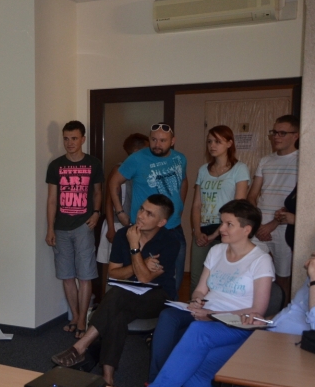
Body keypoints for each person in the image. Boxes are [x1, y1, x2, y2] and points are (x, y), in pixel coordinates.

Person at [146, 201, 275, 387]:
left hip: (237, 323)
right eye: (221, 222)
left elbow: (258, 310)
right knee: (170, 318)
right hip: (207, 313)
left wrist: (211, 315)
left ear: (246, 230)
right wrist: (197, 300)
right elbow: (200, 289)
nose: (221, 228)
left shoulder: (260, 260)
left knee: (198, 333)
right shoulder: (217, 251)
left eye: (228, 224)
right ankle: (159, 382)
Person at [51, 195, 179, 386]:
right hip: (127, 295)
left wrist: (134, 247)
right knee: (117, 314)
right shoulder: (122, 234)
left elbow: (145, 278)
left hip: (158, 296)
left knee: (117, 295)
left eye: (149, 214)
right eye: (141, 209)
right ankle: (107, 377)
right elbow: (114, 272)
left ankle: (80, 347)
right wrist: (142, 263)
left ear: (161, 222)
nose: (141, 215)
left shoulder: (170, 241)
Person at [110, 123, 188, 292]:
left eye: (162, 140)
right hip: (144, 229)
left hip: (173, 227)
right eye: (153, 139)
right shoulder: (136, 158)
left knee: (173, 278)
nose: (157, 144)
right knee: (139, 278)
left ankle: (169, 306)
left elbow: (183, 181)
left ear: (172, 141)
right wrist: (120, 211)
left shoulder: (180, 159)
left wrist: (179, 206)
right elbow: (114, 182)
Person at [45, 120, 104, 338]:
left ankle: (81, 320)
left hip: (83, 226)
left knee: (85, 275)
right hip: (61, 227)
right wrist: (50, 228)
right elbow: (52, 199)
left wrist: (96, 213)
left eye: (74, 138)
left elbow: (98, 192)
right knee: (67, 275)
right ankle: (76, 316)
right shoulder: (56, 165)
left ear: (83, 139)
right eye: (66, 139)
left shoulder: (93, 163)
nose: (70, 143)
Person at [189, 126, 250, 292]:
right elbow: (196, 205)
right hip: (203, 231)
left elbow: (238, 206)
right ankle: (194, 306)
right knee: (196, 278)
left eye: (217, 141)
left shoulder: (240, 169)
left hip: (227, 230)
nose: (212, 145)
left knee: (221, 280)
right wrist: (197, 232)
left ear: (229, 143)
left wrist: (215, 234)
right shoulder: (203, 170)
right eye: (209, 141)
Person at [248, 114, 299, 301]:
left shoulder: (303, 161)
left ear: (295, 135)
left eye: (282, 133)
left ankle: (280, 312)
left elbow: (299, 200)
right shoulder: (265, 160)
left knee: (282, 277)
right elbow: (252, 195)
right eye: (274, 132)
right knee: (251, 269)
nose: (276, 137)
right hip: (259, 226)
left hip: (284, 228)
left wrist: (272, 225)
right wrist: (258, 224)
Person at [97, 133, 149, 292]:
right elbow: (108, 201)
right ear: (136, 151)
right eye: (146, 149)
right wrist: (111, 228)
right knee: (111, 263)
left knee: (129, 262)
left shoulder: (143, 170)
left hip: (134, 225)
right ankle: (106, 296)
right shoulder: (118, 169)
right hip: (115, 223)